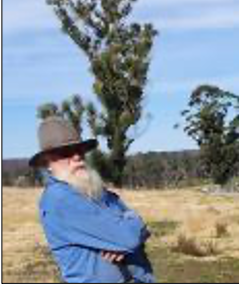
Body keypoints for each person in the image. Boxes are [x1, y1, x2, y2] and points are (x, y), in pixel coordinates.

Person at [30, 116, 156, 283]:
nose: (77, 157)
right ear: (47, 162)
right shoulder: (60, 200)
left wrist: (126, 236)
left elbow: (138, 232)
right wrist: (128, 231)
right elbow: (130, 238)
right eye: (65, 152)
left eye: (79, 149)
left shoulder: (92, 190)